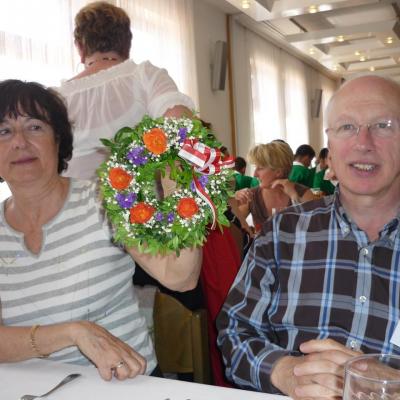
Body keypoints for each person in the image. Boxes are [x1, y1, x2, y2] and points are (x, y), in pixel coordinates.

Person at [0, 79, 201, 381]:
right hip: (31, 388)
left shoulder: (106, 200)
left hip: (124, 384)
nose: (19, 142)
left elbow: (180, 275)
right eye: (4, 131)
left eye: (34, 127)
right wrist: (73, 332)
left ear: (59, 139)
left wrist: (176, 173)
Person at [217, 75, 400, 398]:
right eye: (346, 127)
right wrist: (287, 372)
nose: (363, 142)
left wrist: (388, 384)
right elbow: (234, 330)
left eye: (383, 125)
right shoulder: (282, 233)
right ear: (329, 145)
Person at [56, 1, 194, 180]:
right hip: (134, 204)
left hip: (70, 205)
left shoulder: (56, 98)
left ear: (80, 47)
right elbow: (182, 127)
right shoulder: (145, 76)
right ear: (127, 45)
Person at [232, 141, 314, 233]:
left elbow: (315, 228)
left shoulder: (304, 194)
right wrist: (233, 203)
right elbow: (232, 230)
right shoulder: (252, 196)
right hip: (263, 247)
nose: (255, 174)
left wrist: (294, 197)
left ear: (278, 171)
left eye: (260, 168)